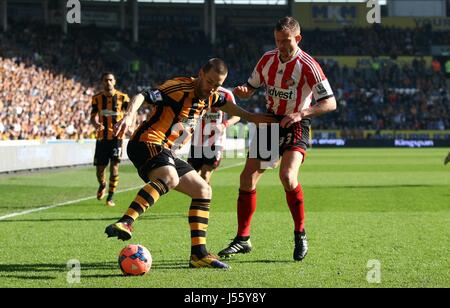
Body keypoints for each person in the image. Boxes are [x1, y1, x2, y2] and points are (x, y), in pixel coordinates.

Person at [104, 58, 275, 269]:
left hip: (168, 150)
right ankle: (126, 221)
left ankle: (199, 254)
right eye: (210, 82)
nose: (212, 88)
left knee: (203, 190)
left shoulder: (210, 95)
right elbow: (143, 95)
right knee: (169, 178)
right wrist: (130, 115)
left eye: (217, 85)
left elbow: (227, 105)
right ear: (201, 73)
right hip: (147, 142)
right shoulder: (178, 87)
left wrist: (251, 117)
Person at [218, 17, 337, 261]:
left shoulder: (308, 65)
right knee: (247, 178)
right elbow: (252, 86)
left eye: (286, 41)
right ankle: (243, 239)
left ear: (298, 39)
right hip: (271, 121)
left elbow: (330, 102)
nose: (281, 46)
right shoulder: (267, 59)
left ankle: (300, 233)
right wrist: (244, 91)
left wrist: (301, 113)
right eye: (278, 41)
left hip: (296, 123)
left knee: (287, 176)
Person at [91, 72, 130, 207]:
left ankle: (110, 197)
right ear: (102, 82)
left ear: (115, 81)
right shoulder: (96, 98)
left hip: (117, 138)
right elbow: (93, 116)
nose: (108, 82)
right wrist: (96, 124)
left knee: (114, 167)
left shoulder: (123, 98)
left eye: (110, 80)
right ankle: (102, 185)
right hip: (102, 138)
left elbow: (129, 114)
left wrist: (128, 126)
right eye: (106, 80)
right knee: (99, 170)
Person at [188, 86, 241, 184]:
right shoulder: (195, 90)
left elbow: (237, 116)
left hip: (215, 141)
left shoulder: (226, 94)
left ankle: (203, 198)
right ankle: (202, 197)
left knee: (205, 174)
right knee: (190, 175)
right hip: (196, 140)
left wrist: (224, 125)